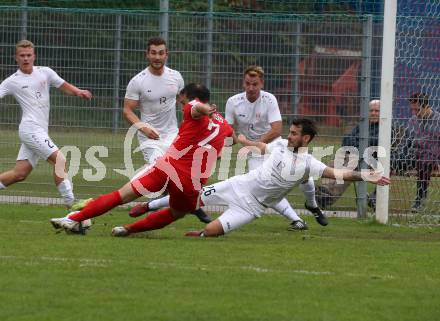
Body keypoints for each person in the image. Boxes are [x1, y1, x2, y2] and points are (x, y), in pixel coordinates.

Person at [50, 83, 233, 235]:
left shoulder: (193, 106)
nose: (180, 102)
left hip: (167, 167)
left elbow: (196, 107)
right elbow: (232, 138)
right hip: (190, 181)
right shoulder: (223, 124)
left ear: (187, 96)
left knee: (120, 195)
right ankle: (127, 230)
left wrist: (205, 110)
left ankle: (72, 218)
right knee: (176, 213)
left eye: (181, 98)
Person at [185, 119, 390, 237]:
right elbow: (264, 147)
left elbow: (340, 173)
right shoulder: (281, 144)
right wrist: (243, 140)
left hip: (252, 208)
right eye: (290, 132)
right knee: (190, 199)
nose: (289, 135)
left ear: (306, 138)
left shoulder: (309, 162)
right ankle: (152, 207)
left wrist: (365, 175)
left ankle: (312, 207)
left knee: (210, 231)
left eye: (293, 133)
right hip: (239, 185)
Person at [225, 65, 326, 230]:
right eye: (247, 83)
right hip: (254, 153)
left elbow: (277, 129)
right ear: (244, 83)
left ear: (262, 83)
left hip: (276, 146)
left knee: (305, 175)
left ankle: (312, 205)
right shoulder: (233, 102)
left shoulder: (269, 99)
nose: (251, 88)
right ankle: (297, 221)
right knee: (268, 187)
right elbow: (228, 131)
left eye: (255, 84)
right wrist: (233, 140)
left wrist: (257, 144)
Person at [123, 36, 211, 223]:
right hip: (150, 139)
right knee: (164, 174)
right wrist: (143, 127)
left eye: (161, 53)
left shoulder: (176, 77)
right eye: (153, 53)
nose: (157, 57)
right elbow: (127, 110)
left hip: (174, 136)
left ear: (166, 55)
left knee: (183, 175)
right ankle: (191, 207)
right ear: (147, 54)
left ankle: (160, 205)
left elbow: (185, 103)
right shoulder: (138, 81)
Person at [0, 40, 92, 207]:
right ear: (16, 58)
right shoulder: (12, 81)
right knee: (60, 160)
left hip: (40, 130)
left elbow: (63, 85)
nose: (26, 59)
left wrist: (78, 92)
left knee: (19, 174)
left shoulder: (45, 72)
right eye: (22, 56)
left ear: (34, 56)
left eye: (29, 55)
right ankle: (71, 203)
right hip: (30, 129)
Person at [315, 99, 380, 210]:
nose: (373, 113)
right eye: (371, 110)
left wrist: (357, 144)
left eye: (376, 111)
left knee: (348, 167)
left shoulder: (385, 129)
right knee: (334, 163)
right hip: (353, 156)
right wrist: (359, 144)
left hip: (372, 161)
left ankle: (329, 197)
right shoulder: (362, 125)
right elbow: (346, 140)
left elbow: (372, 143)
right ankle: (324, 191)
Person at [400, 93, 440, 212]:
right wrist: (400, 154)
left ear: (427, 107)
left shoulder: (438, 120)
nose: (414, 113)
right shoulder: (413, 120)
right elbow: (406, 142)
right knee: (393, 160)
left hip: (431, 158)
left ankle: (419, 201)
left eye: (417, 109)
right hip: (413, 156)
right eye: (412, 109)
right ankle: (376, 196)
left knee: (424, 162)